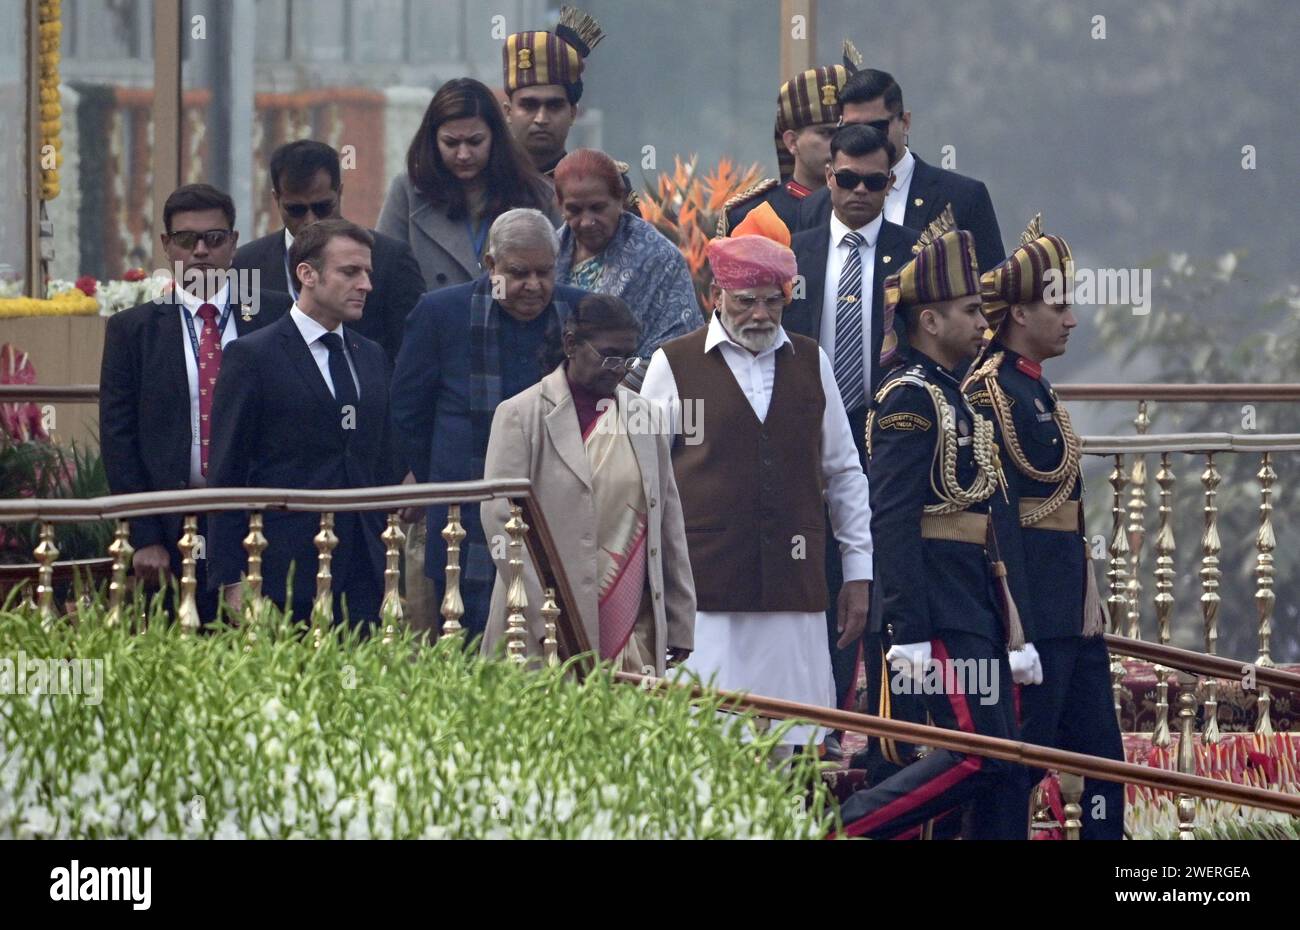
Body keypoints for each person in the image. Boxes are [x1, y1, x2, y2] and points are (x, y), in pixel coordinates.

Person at [640, 209, 872, 754]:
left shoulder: (811, 363)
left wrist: (858, 573)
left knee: (793, 746)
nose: (761, 313)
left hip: (794, 593)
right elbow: (641, 476)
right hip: (703, 593)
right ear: (716, 296)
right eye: (746, 300)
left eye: (773, 299)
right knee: (702, 739)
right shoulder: (672, 365)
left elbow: (843, 474)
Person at [835, 210, 1029, 839]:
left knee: (1004, 765)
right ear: (929, 319)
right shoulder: (910, 396)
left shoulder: (953, 392)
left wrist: (1010, 626)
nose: (983, 323)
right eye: (971, 310)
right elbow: (891, 519)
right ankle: (844, 830)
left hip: (973, 607)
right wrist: (907, 629)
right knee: (978, 754)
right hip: (939, 612)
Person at [963, 215, 1125, 839]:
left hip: (1073, 616)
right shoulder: (987, 393)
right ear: (1018, 315)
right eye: (1057, 305)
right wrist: (1016, 625)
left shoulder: (1036, 390)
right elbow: (998, 523)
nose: (1072, 318)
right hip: (1034, 616)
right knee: (1016, 766)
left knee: (1102, 759)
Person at [781, 122, 920, 759]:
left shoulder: (915, 254)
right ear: (827, 175)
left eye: (875, 182)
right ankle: (822, 726)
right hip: (807, 443)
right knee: (820, 578)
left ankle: (891, 737)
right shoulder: (794, 252)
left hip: (891, 437)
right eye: (846, 179)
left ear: (890, 184)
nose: (859, 192)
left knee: (886, 583)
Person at [99, 183, 291, 625]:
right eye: (187, 239)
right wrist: (143, 535)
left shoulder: (274, 315)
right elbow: (119, 438)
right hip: (171, 527)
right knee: (177, 660)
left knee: (264, 659)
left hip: (259, 524)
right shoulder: (134, 331)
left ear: (234, 243)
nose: (201, 250)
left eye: (215, 238)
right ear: (167, 246)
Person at [390, 209, 588, 635]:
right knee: (467, 653)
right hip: (464, 518)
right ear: (490, 265)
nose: (533, 286)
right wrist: (439, 481)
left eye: (544, 272)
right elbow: (408, 411)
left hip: (557, 511)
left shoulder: (579, 312)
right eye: (518, 273)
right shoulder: (441, 313)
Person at [480, 294, 695, 671]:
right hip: (536, 626)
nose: (619, 370)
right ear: (570, 345)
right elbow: (500, 523)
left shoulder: (645, 416)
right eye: (609, 356)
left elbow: (668, 521)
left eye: (629, 359)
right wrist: (548, 619)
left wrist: (678, 619)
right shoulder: (520, 415)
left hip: (631, 628)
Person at [207, 219, 397, 628]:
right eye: (350, 272)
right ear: (307, 274)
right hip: (282, 566)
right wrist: (230, 579)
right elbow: (227, 472)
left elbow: (377, 457)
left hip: (364, 565)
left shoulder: (371, 355)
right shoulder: (253, 356)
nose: (365, 284)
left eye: (368, 273)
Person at [233, 139, 425, 363]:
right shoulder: (246, 265)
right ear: (276, 198)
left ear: (339, 192)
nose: (310, 220)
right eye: (296, 209)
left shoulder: (390, 259)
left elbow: (413, 352)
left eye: (322, 207)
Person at [797, 69, 1006, 272]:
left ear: (905, 122)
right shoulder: (814, 206)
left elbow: (992, 289)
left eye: (876, 127)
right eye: (851, 128)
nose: (864, 136)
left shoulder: (963, 197)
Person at [377, 77, 559, 293]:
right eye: (451, 143)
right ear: (433, 141)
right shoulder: (407, 192)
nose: (463, 155)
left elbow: (558, 275)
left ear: (495, 137)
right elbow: (383, 274)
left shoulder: (537, 194)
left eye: (475, 142)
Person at [553, 149, 700, 378]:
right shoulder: (547, 255)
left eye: (598, 208)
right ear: (559, 205)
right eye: (574, 210)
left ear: (620, 200)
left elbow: (678, 350)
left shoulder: (659, 258)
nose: (587, 222)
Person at [718, 40, 861, 236]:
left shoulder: (874, 208)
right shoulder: (755, 218)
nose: (840, 144)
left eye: (847, 131)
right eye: (827, 133)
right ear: (792, 142)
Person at [502, 5, 638, 211]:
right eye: (529, 105)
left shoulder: (608, 183)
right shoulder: (483, 182)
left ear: (573, 113)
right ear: (508, 112)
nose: (541, 118)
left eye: (554, 106)